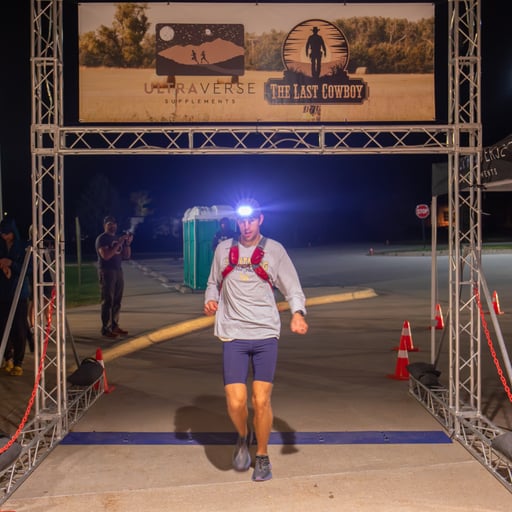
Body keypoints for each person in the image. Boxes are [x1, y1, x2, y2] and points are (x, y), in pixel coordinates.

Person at [204, 199, 308, 482]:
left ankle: (262, 455)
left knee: (260, 400)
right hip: (233, 334)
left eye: (251, 220)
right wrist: (211, 299)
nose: (246, 226)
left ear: (260, 219)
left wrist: (298, 314)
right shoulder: (223, 250)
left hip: (265, 334)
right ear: (237, 222)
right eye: (242, 221)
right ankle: (243, 435)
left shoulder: (274, 250)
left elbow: (292, 287)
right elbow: (213, 282)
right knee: (235, 402)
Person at [0, 218, 30, 376]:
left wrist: (11, 264)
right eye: (2, 234)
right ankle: (7, 357)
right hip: (3, 292)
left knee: (19, 328)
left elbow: (28, 269)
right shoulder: (1, 246)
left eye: (7, 233)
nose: (5, 237)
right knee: (2, 326)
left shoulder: (22, 246)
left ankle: (18, 361)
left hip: (19, 292)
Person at [95, 216, 133, 338]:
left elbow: (126, 256)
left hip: (118, 270)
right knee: (108, 300)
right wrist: (120, 243)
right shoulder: (102, 239)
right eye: (110, 224)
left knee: (117, 300)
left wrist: (127, 244)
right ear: (105, 226)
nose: (113, 226)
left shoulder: (116, 238)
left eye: (114, 224)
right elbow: (106, 256)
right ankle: (105, 328)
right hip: (106, 271)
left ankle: (114, 326)